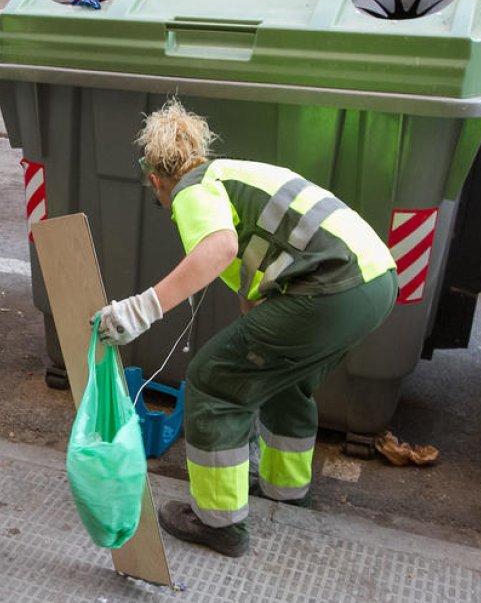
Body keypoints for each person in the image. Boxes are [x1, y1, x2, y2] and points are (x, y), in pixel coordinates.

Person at [95, 98, 398, 557]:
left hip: (331, 289)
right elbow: (261, 255)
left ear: (157, 180)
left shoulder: (191, 189)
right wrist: (251, 315)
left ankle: (218, 523)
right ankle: (286, 490)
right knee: (282, 381)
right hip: (374, 282)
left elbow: (219, 247)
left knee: (213, 383)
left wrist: (140, 311)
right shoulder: (231, 175)